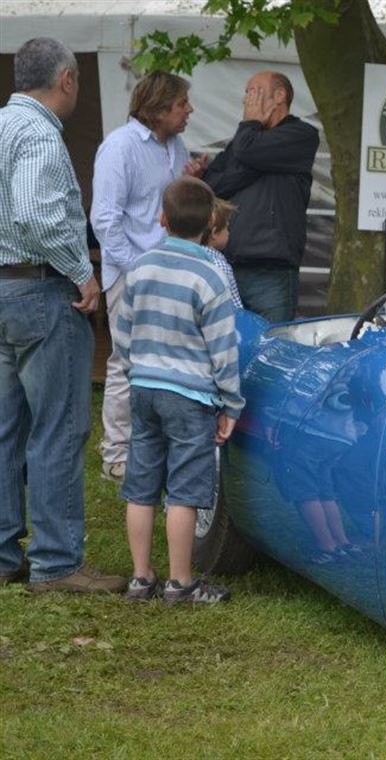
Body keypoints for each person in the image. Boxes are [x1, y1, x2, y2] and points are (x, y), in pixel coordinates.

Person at [0, 37, 126, 594]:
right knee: (58, 426)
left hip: (3, 289)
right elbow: (34, 214)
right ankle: (55, 563)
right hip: (40, 289)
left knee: (5, 429)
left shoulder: (2, 126)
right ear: (68, 80)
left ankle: (5, 554)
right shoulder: (39, 134)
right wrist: (83, 272)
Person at [112, 176, 244, 604]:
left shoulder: (141, 267)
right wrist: (231, 404)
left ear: (161, 218)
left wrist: (136, 371)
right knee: (185, 489)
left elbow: (124, 332)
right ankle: (180, 582)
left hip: (145, 389)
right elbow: (224, 349)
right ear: (210, 222)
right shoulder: (210, 276)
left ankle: (140, 576)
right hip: (190, 397)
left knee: (141, 483)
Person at [91, 71, 203, 484]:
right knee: (127, 363)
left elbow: (173, 211)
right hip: (130, 275)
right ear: (158, 109)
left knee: (167, 361)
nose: (189, 110)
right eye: (181, 105)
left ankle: (154, 446)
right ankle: (116, 454)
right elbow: (104, 218)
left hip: (172, 272)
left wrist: (192, 178)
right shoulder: (119, 148)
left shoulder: (177, 146)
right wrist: (138, 269)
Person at [203, 71, 318, 323]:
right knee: (230, 348)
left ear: (280, 95)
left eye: (253, 90)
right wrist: (253, 158)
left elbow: (244, 153)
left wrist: (249, 127)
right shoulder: (245, 139)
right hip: (229, 267)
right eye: (246, 92)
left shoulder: (303, 134)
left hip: (272, 273)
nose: (247, 99)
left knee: (271, 349)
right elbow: (212, 184)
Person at [200, 197, 243, 309]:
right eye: (226, 227)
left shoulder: (189, 258)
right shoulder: (220, 267)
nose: (228, 232)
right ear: (214, 233)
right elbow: (235, 310)